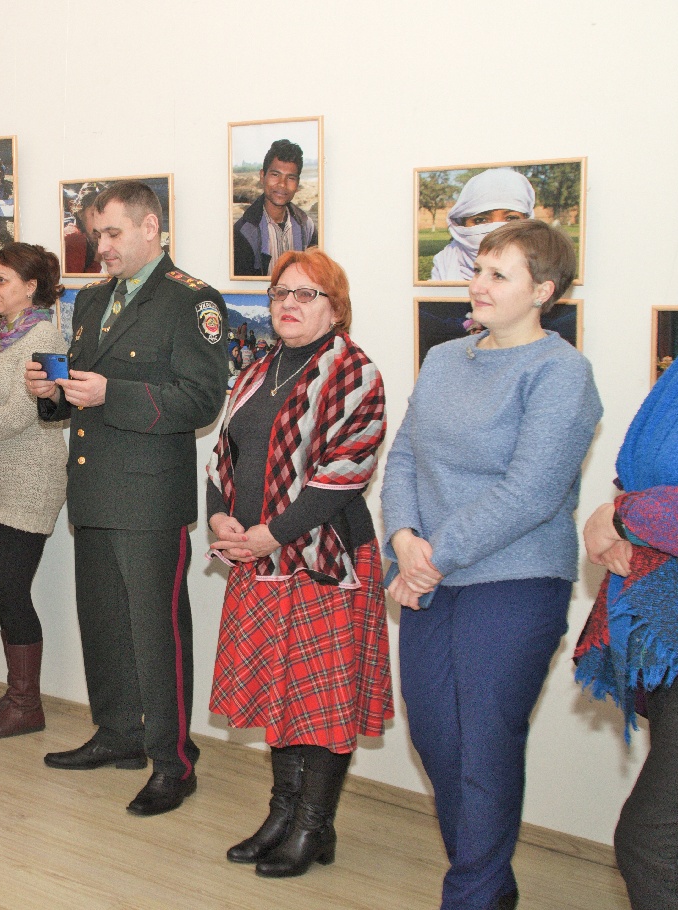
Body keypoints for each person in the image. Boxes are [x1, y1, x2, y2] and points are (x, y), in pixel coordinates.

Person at [382, 220, 602, 910]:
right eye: (477, 269)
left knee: (483, 743)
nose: (477, 284)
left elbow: (531, 492)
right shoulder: (446, 358)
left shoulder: (561, 373)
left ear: (543, 291)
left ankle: (471, 896)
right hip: (429, 575)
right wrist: (404, 539)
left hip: (516, 580)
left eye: (498, 275)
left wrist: (432, 556)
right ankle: (490, 885)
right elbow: (405, 457)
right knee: (434, 735)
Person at [25, 180, 229, 815]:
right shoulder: (92, 300)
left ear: (150, 228)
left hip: (148, 500)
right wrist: (51, 392)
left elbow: (200, 401)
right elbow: (81, 392)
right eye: (96, 235)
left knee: (156, 635)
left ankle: (173, 761)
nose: (102, 246)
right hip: (93, 489)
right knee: (104, 625)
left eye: (112, 233)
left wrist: (110, 392)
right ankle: (117, 734)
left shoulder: (191, 301)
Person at [205, 249, 392, 877]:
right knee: (281, 694)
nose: (289, 303)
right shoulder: (257, 368)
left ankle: (313, 825)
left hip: (324, 560)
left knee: (322, 700)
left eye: (306, 294)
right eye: (281, 292)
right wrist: (219, 518)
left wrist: (272, 534)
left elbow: (344, 473)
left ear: (335, 308)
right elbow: (224, 456)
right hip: (258, 558)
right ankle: (281, 816)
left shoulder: (355, 372)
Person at [574, 343, 678, 910]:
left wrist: (623, 516)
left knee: (653, 846)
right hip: (675, 637)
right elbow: (639, 472)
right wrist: (627, 515)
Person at [0, 242, 67, 738]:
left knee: (12, 591)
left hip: (30, 480)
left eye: (2, 280)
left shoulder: (47, 337)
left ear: (31, 287)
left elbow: (22, 415)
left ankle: (28, 705)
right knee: (4, 592)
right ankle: (15, 693)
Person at [429, 168, 535, 282]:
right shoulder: (445, 264)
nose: (495, 230)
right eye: (480, 220)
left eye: (511, 218)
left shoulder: (541, 267)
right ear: (462, 224)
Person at [232, 140, 318, 277]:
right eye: (275, 175)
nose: (282, 184)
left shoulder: (307, 227)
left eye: (290, 178)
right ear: (262, 176)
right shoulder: (243, 232)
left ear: (297, 183)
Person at [63, 183, 104, 274]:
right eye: (94, 214)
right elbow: (76, 280)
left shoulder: (80, 236)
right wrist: (97, 260)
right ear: (80, 213)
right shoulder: (75, 239)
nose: (100, 224)